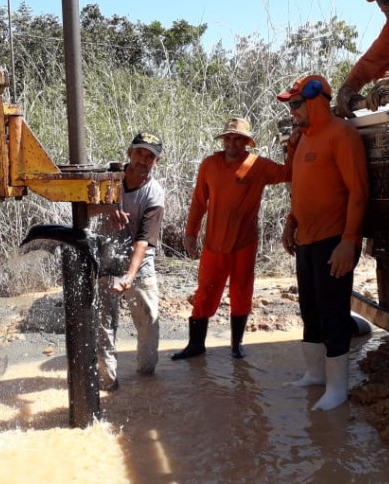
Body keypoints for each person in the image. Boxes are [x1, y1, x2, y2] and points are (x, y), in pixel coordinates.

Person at [278, 74, 369, 411]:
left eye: (296, 104)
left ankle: (338, 388)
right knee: (310, 310)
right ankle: (315, 375)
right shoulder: (301, 139)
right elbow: (299, 187)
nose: (292, 112)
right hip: (307, 238)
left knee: (333, 313)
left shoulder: (341, 134)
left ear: (317, 100)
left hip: (335, 239)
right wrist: (291, 221)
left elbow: (359, 193)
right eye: (290, 106)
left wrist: (349, 242)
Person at [172, 118, 293, 361]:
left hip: (244, 244)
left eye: (237, 138)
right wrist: (190, 234)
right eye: (228, 138)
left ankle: (236, 345)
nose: (232, 143)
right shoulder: (209, 165)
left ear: (247, 142)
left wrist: (294, 144)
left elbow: (288, 173)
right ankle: (196, 345)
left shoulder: (258, 165)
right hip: (213, 244)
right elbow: (198, 202)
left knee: (241, 293)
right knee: (204, 293)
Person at [91, 132, 165, 392]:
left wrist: (129, 277)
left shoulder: (154, 194)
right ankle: (107, 383)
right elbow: (84, 208)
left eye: (150, 156)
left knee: (148, 323)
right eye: (140, 153)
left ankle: (146, 382)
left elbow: (143, 242)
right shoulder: (108, 179)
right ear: (129, 153)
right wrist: (107, 208)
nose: (144, 160)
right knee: (103, 326)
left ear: (156, 162)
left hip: (140, 265)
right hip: (106, 260)